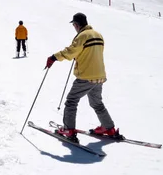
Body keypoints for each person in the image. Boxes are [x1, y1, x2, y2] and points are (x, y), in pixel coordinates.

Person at [45, 12, 118, 142]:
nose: (74, 27)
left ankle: (68, 130)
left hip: (86, 76)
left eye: (73, 24)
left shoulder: (82, 36)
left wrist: (54, 57)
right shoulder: (98, 34)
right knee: (97, 103)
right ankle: (109, 128)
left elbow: (71, 51)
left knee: (71, 101)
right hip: (100, 76)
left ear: (77, 24)